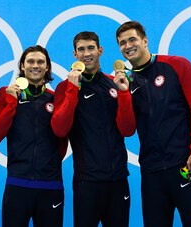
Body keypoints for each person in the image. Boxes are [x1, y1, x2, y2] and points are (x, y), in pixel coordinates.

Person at [115, 21, 191, 227]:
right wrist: (123, 94)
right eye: (122, 43)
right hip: (151, 173)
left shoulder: (177, 64)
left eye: (132, 39)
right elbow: (127, 129)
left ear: (145, 41)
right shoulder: (127, 82)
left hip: (184, 165)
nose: (128, 45)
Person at [51, 31, 136, 227]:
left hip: (117, 179)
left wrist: (124, 95)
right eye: (81, 49)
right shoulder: (65, 88)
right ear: (75, 55)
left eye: (91, 48)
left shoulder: (114, 83)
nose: (86, 53)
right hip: (86, 182)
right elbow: (59, 130)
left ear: (100, 50)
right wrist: (73, 90)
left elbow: (128, 129)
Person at [0, 45, 68, 227]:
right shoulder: (6, 94)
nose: (35, 65)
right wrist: (11, 104)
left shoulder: (54, 98)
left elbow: (62, 139)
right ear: (22, 66)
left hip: (51, 185)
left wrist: (49, 162)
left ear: (47, 67)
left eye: (41, 62)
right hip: (17, 184)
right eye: (30, 61)